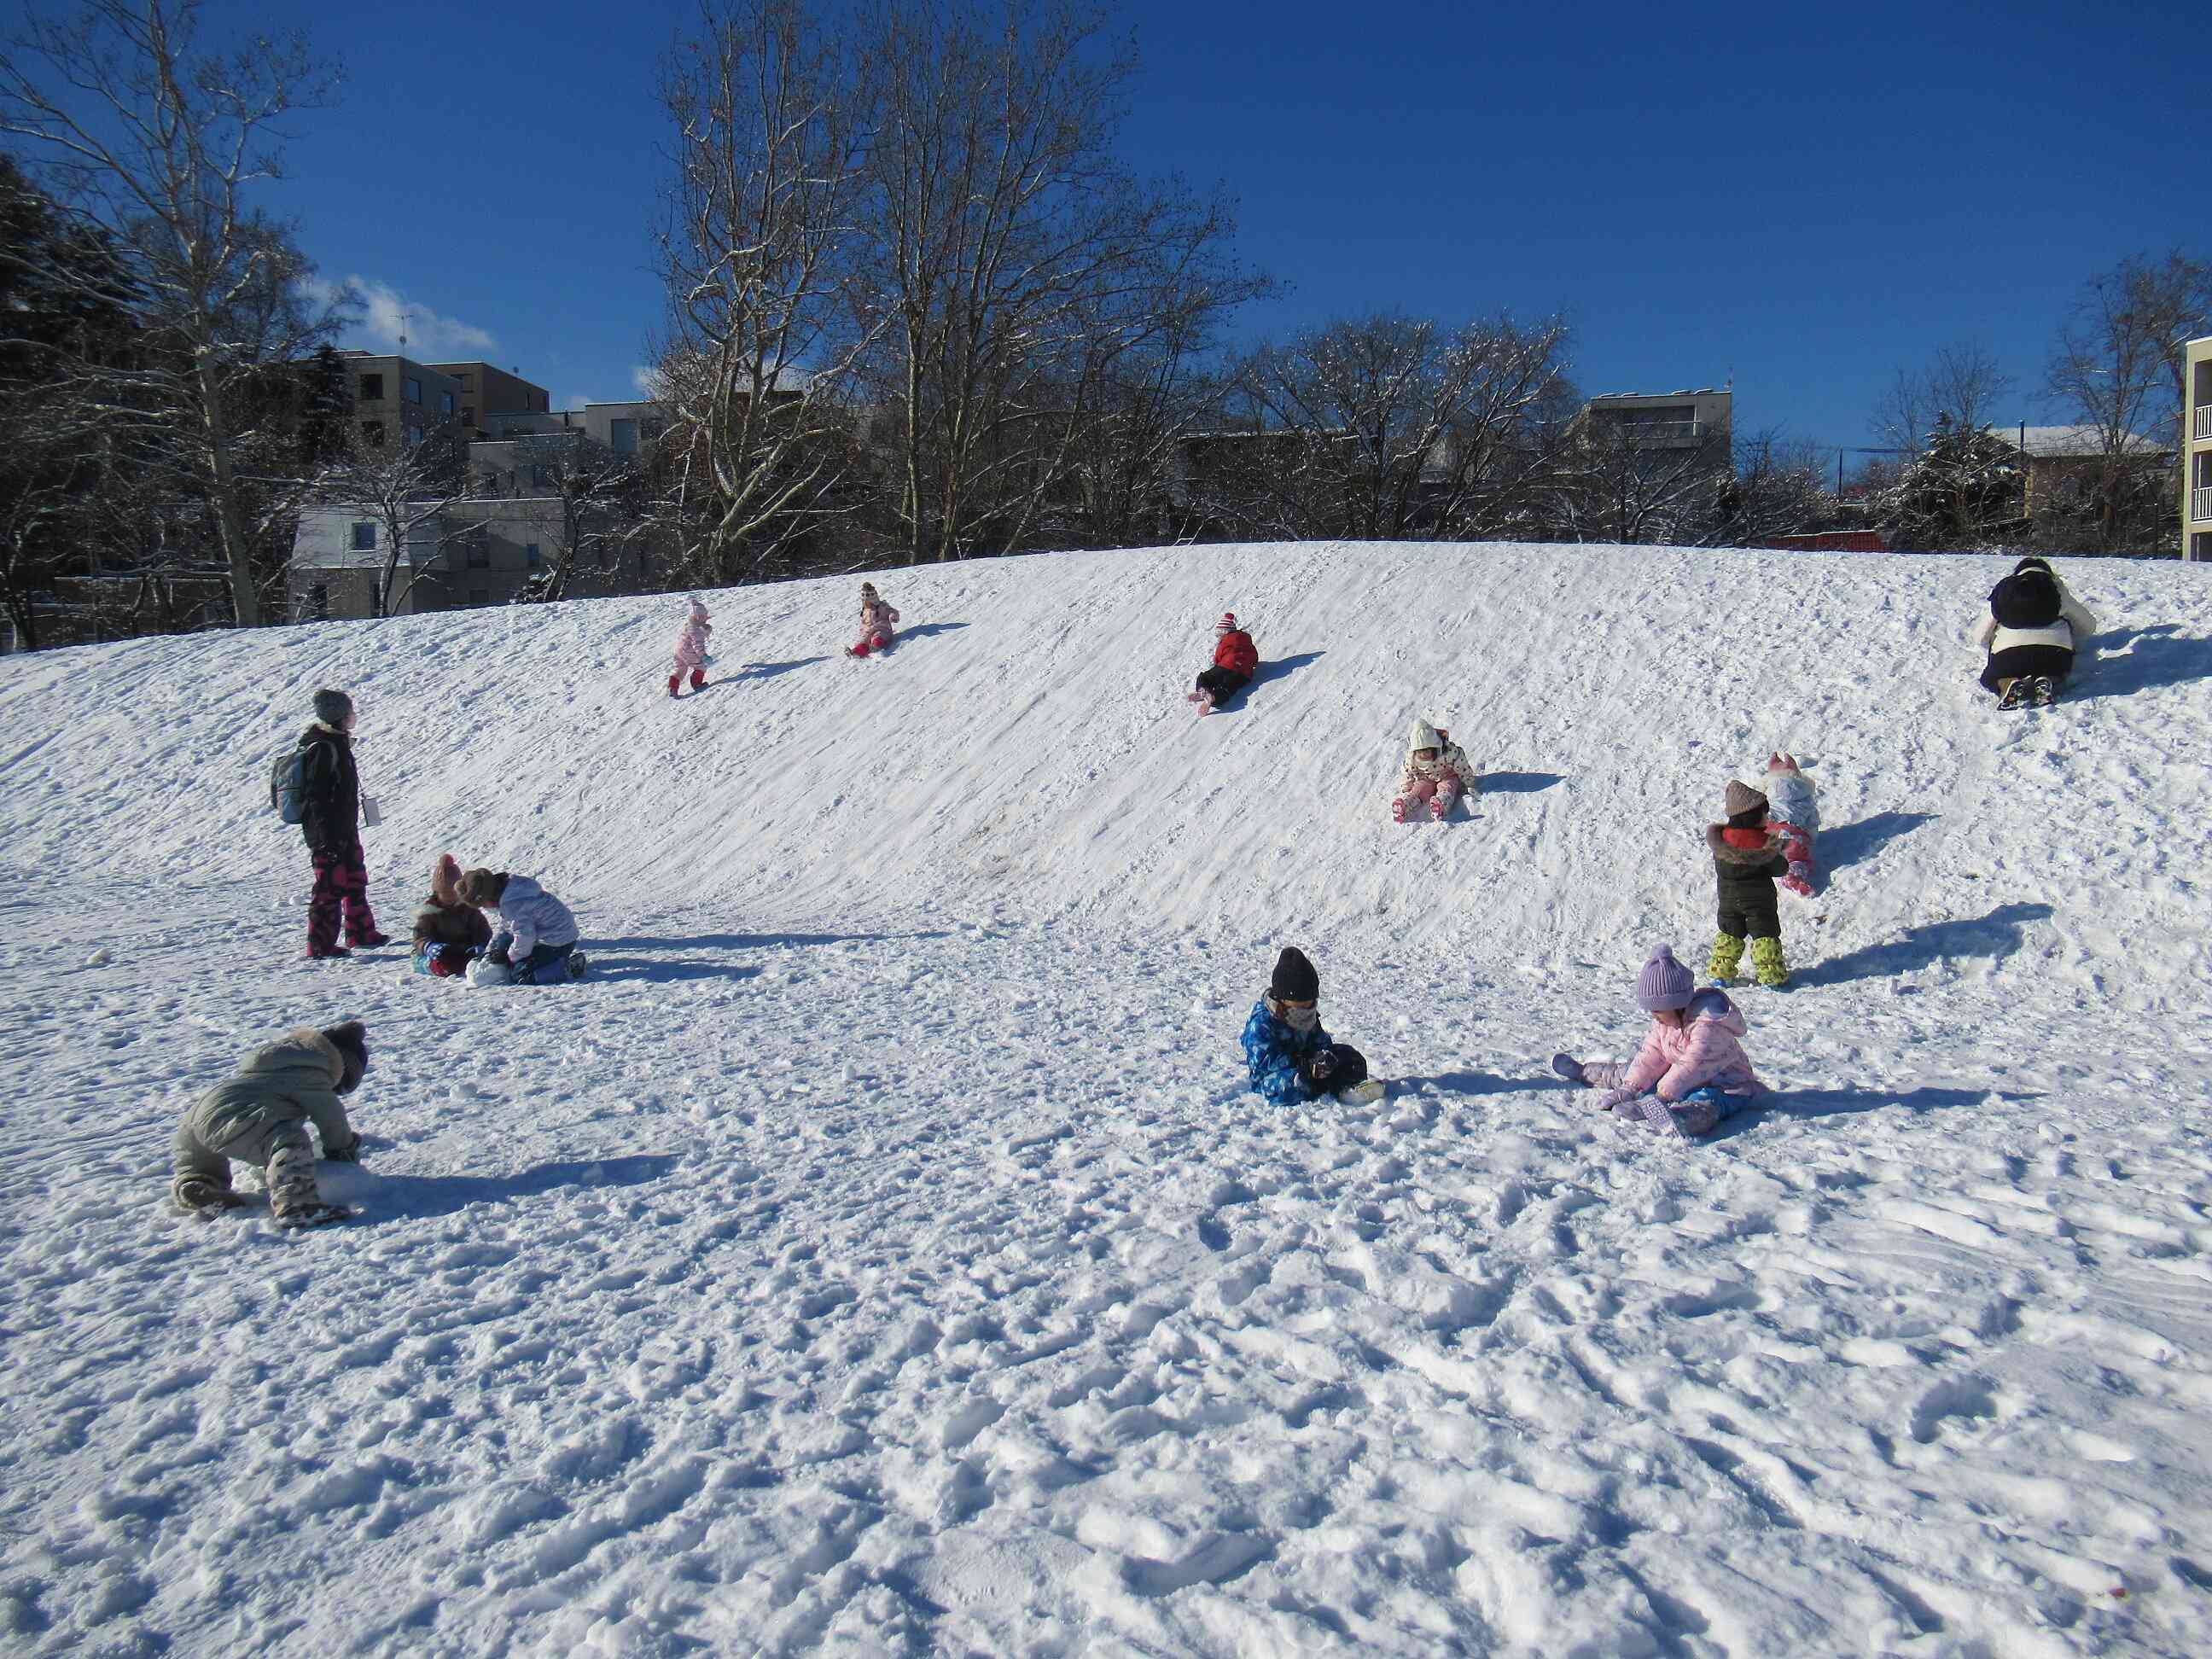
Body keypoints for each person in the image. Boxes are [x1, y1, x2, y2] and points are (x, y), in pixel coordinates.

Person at [1551, 946, 1761, 1139]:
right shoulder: (1665, 1022)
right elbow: (1651, 1054)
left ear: (1677, 1004)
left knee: (1706, 1100)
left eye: (1657, 1010)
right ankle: (1587, 1072)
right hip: (1678, 1080)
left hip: (1726, 1087)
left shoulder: (1709, 1027)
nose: (1654, 1015)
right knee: (1634, 1069)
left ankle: (1682, 1119)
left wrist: (1661, 1097)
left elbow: (1692, 1065)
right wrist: (1630, 1088)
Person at [171, 1021, 368, 1227]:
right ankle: (298, 1205)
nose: (338, 1091)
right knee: (289, 1141)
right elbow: (331, 1115)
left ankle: (199, 1185)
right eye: (343, 1086)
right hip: (237, 1117)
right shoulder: (311, 1073)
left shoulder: (275, 1064)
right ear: (341, 1066)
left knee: (202, 1163)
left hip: (197, 1116)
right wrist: (343, 1148)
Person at [297, 689, 388, 960]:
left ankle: (360, 932)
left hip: (345, 829)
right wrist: (326, 838)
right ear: (338, 716)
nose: (353, 717)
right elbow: (317, 798)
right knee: (329, 887)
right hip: (328, 834)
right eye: (349, 712)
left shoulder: (338, 744)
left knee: (354, 879)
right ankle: (320, 945)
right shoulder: (323, 749)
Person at [1242, 946, 1386, 1106]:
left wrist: (1324, 1058)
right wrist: (1306, 1066)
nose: (1306, 1011)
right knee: (1293, 1084)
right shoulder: (1262, 1024)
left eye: (1309, 1004)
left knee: (1349, 1057)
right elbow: (1267, 1065)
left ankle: (1348, 1090)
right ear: (1283, 999)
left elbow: (1321, 1042)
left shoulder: (1307, 1016)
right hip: (1276, 1077)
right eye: (1300, 1005)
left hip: (1311, 1067)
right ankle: (1328, 1087)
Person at [1972, 556, 2098, 709]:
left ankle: (2007, 683)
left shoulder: (2007, 592)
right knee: (2057, 670)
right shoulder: (2055, 589)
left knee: (1990, 678)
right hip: (2054, 653)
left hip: (2008, 656)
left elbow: (1980, 636)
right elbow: (2088, 626)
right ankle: (2047, 679)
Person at [1708, 779, 1790, 988]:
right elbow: (1780, 869)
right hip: (1759, 903)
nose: (1767, 817)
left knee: (1730, 933)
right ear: (1753, 816)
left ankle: (1721, 974)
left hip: (1727, 900)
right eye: (1765, 813)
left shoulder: (1722, 840)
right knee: (1765, 936)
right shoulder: (1761, 844)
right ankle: (1770, 976)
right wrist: (1779, 850)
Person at [457, 867, 588, 983]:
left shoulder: (515, 904)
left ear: (488, 898)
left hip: (558, 941)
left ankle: (568, 968)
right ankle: (548, 961)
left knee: (520, 973)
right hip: (543, 933)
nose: (485, 908)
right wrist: (492, 950)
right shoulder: (509, 892)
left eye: (483, 905)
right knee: (503, 941)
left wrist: (509, 958)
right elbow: (506, 928)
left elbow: (524, 937)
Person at [411, 853, 492, 978]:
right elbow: (420, 936)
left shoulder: (469, 909)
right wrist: (428, 946)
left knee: (473, 963)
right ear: (437, 893)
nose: (450, 897)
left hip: (464, 950)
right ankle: (427, 965)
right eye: (445, 893)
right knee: (444, 966)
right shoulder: (429, 912)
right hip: (440, 953)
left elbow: (483, 930)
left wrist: (480, 945)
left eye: (453, 893)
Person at [1391, 719, 1477, 823]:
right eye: (1420, 752)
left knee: (1448, 786)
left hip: (1447, 775)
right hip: (1426, 777)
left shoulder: (1448, 753)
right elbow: (1407, 772)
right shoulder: (1412, 759)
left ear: (1435, 748)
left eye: (1427, 751)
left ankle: (1440, 804)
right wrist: (1406, 787)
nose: (1423, 755)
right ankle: (1405, 805)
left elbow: (1461, 763)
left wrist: (1468, 780)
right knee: (1420, 789)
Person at [1188, 612, 1259, 713]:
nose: (1218, 638)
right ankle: (1214, 698)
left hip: (1226, 665)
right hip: (1244, 674)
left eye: (1219, 635)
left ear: (1224, 633)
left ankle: (1203, 690)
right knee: (1228, 687)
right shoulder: (1246, 640)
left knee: (1206, 677)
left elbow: (1218, 656)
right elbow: (1254, 658)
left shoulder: (1226, 640)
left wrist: (1218, 666)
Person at [668, 597, 712, 698]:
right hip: (689, 651)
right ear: (698, 617)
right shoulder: (697, 629)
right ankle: (697, 684)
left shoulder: (688, 625)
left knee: (679, 670)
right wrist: (703, 655)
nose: (706, 619)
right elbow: (697, 645)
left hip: (678, 651)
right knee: (701, 667)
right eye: (704, 617)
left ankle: (673, 688)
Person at [846, 582, 900, 658]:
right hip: (868, 631)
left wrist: (893, 616)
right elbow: (864, 622)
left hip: (882, 628)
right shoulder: (865, 610)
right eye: (865, 602)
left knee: (878, 637)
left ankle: (877, 646)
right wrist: (863, 630)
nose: (867, 604)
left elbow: (892, 611)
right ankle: (855, 653)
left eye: (868, 601)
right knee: (863, 641)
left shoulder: (882, 606)